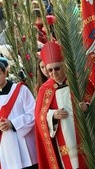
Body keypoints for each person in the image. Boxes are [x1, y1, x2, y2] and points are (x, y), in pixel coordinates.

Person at [34, 41, 89, 169]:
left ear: (64, 65)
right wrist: (52, 115)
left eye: (57, 68)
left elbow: (94, 102)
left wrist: (87, 107)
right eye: (50, 70)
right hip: (63, 141)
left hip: (85, 136)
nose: (53, 73)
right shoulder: (45, 89)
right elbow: (39, 117)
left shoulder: (77, 81)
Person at [0, 57, 38, 169]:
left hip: (25, 147)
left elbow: (33, 114)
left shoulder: (20, 90)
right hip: (5, 151)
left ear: (5, 73)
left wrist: (12, 123)